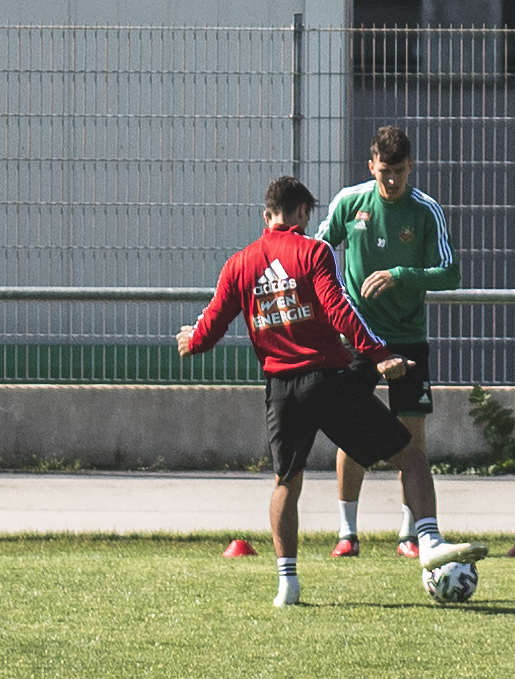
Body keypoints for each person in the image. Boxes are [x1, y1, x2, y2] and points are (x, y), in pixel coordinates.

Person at [175, 172, 406, 609]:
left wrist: (193, 341)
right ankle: (428, 543)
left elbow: (212, 324)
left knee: (286, 481)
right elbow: (338, 308)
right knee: (406, 454)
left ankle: (288, 584)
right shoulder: (314, 251)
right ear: (302, 213)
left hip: (280, 387)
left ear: (266, 216)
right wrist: (377, 354)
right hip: (326, 380)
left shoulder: (239, 263)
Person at [316, 125, 458, 561]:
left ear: (410, 166)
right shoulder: (350, 202)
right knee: (352, 435)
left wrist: (400, 274)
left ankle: (410, 534)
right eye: (384, 173)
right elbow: (316, 254)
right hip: (357, 340)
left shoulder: (425, 211)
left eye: (399, 171)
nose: (392, 181)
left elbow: (450, 273)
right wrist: (336, 299)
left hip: (407, 339)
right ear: (371, 166)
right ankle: (347, 531)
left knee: (411, 439)